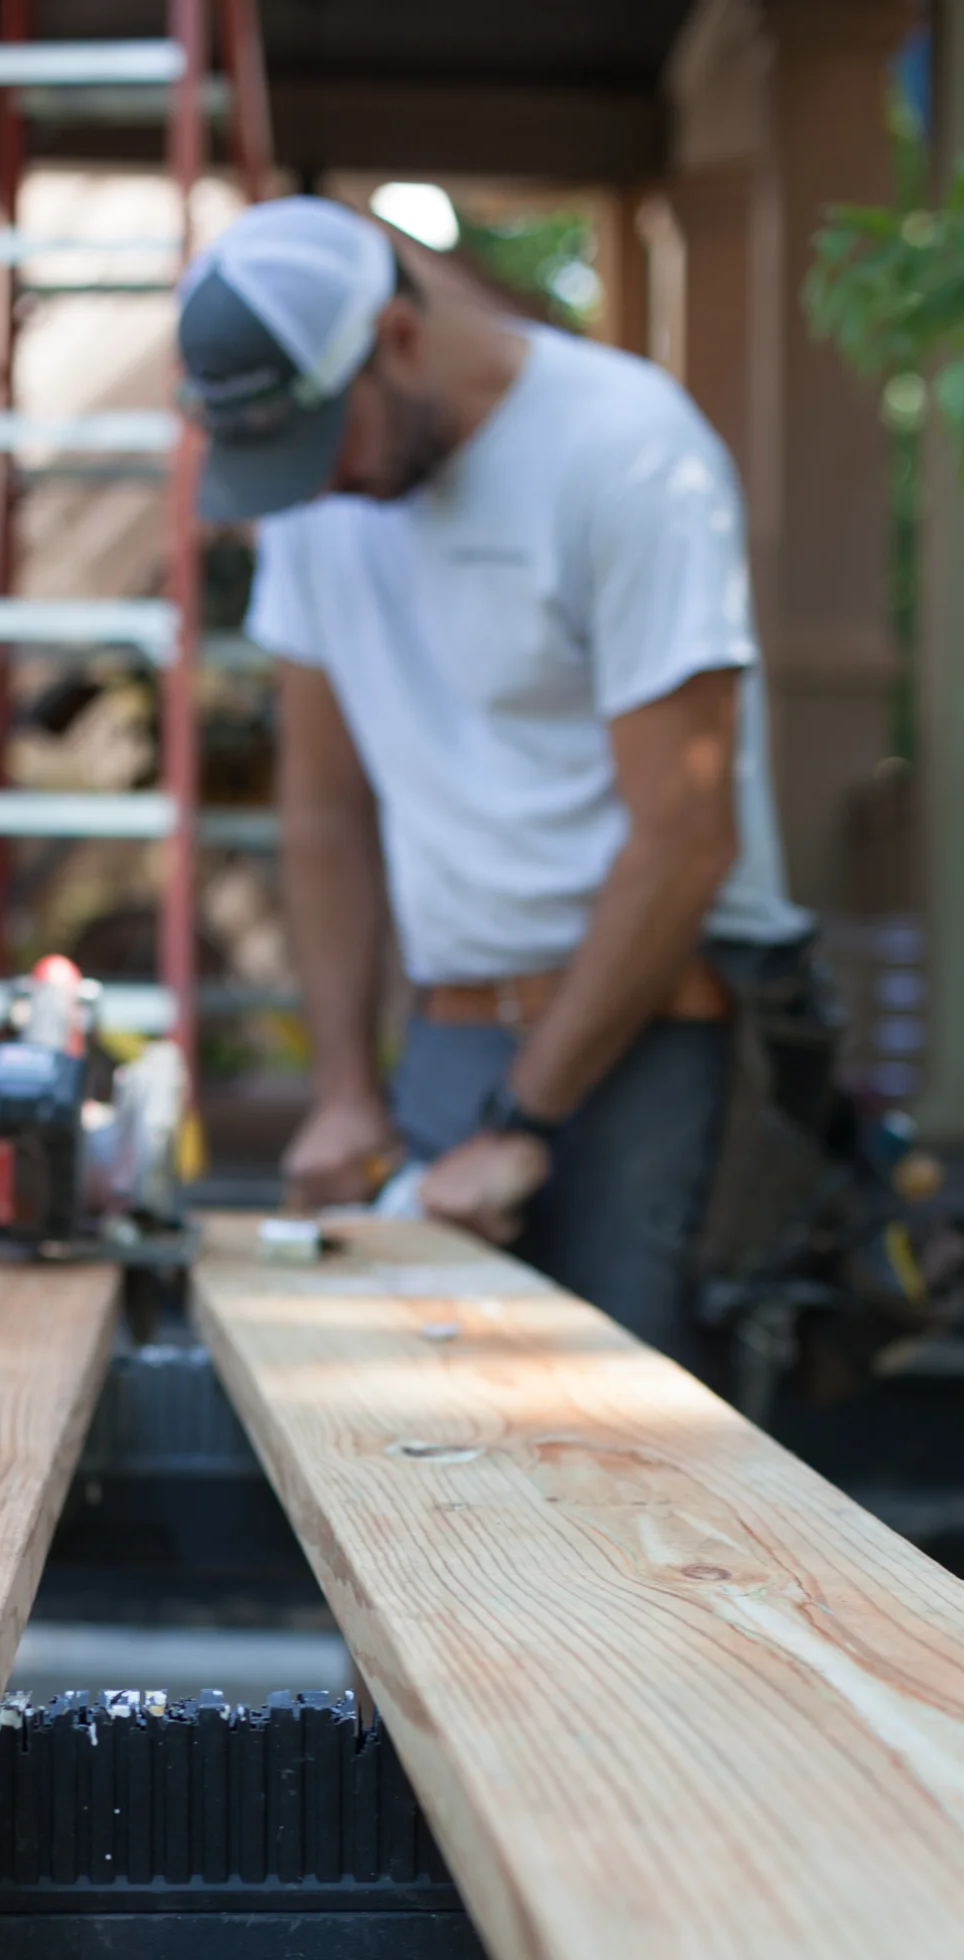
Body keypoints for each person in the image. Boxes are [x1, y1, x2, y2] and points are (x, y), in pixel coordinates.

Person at [176, 194, 814, 1361]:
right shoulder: (318, 498)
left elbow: (684, 834)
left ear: (398, 339)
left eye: (322, 445)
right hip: (452, 1033)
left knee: (630, 1436)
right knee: (412, 1416)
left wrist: (525, 1119)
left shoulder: (623, 451)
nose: (313, 484)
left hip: (652, 1036)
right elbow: (320, 808)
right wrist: (342, 1090)